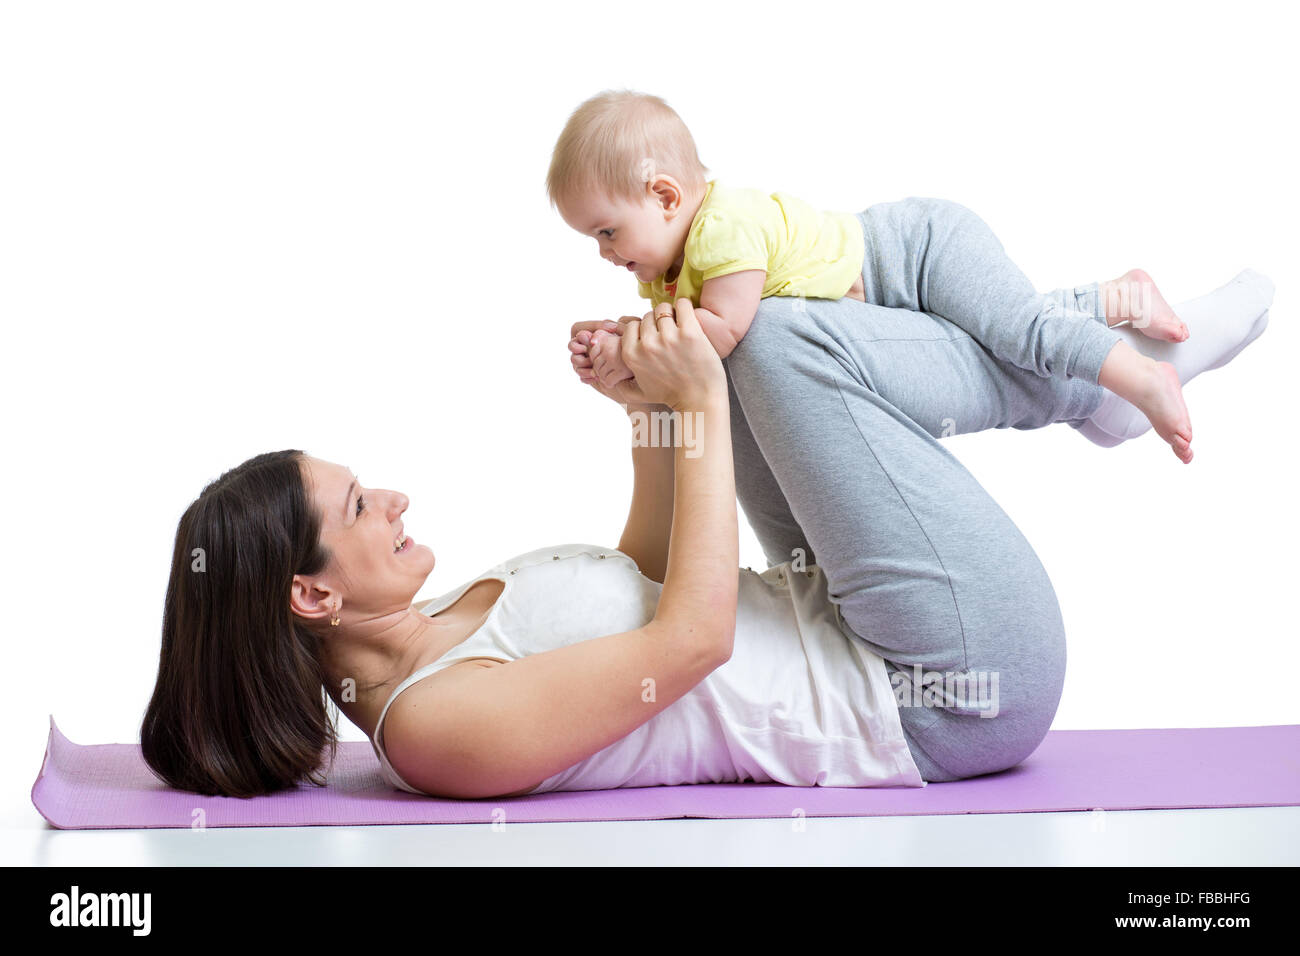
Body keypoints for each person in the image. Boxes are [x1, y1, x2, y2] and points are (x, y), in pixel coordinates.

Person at [139, 273, 1272, 798]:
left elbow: (637, 575)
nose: (393, 499)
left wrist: (654, 407)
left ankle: (1090, 358)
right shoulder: (435, 730)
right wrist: (702, 403)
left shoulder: (440, 621)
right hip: (938, 693)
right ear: (311, 596)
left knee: (748, 330)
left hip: (861, 621)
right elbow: (692, 640)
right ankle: (1092, 365)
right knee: (764, 344)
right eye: (357, 509)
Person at [547, 89, 1212, 463]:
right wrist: (623, 349)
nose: (605, 253)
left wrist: (637, 350)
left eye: (607, 231)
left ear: (665, 197)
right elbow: (688, 339)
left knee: (1015, 329)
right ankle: (1120, 297)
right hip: (893, 293)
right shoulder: (665, 270)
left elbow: (719, 333)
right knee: (983, 340)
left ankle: (1139, 375)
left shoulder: (722, 229)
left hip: (917, 250)